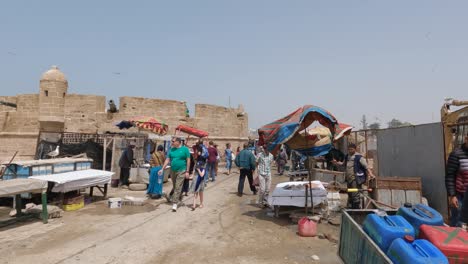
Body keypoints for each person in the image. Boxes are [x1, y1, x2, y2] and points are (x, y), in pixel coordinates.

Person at [333, 143, 375, 209]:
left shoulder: (359, 157)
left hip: (355, 179)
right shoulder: (347, 156)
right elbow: (343, 164)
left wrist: (370, 174)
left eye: (351, 149)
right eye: (349, 149)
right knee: (350, 193)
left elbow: (366, 166)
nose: (350, 151)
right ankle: (350, 208)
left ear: (355, 149)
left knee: (355, 194)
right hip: (348, 179)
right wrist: (336, 162)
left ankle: (356, 209)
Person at [159, 137, 191, 212]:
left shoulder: (185, 149)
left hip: (182, 170)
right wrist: (162, 169)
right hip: (173, 170)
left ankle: (175, 203)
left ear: (178, 142)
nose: (172, 142)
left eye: (173, 141)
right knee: (175, 186)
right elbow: (168, 159)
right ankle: (179, 198)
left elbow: (188, 160)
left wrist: (187, 171)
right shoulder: (171, 150)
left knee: (178, 186)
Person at [445, 132, 468, 227]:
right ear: (466, 139)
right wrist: (452, 195)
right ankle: (453, 241)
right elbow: (450, 176)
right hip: (460, 197)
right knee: (458, 224)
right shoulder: (456, 154)